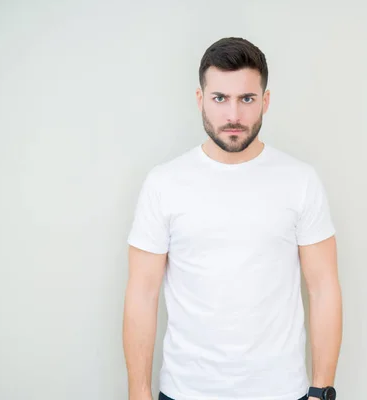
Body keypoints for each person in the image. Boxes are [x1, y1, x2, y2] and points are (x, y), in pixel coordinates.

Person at [122, 37, 342, 400]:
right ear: (200, 100)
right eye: (220, 98)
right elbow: (142, 294)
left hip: (282, 392)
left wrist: (322, 391)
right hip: (186, 391)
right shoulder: (164, 184)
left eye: (247, 99)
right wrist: (138, 393)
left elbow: (323, 288)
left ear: (265, 101)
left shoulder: (300, 181)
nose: (233, 116)